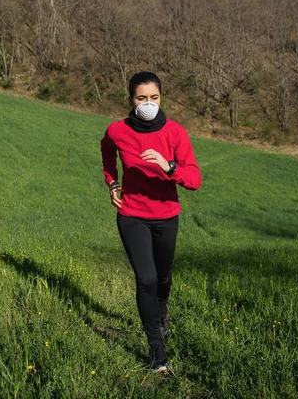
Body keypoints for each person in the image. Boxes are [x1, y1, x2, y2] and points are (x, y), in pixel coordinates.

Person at [100, 71, 201, 373]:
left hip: (166, 216)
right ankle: (157, 353)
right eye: (141, 98)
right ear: (130, 100)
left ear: (161, 97)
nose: (148, 103)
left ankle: (162, 309)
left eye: (153, 97)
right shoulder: (117, 131)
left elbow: (194, 179)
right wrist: (112, 182)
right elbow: (106, 150)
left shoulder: (175, 132)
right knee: (146, 279)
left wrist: (167, 165)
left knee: (163, 278)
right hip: (131, 215)